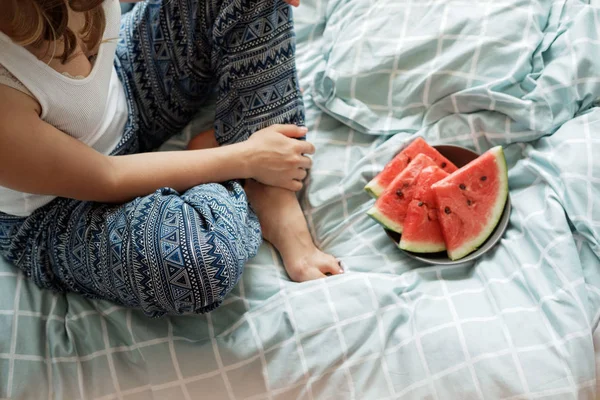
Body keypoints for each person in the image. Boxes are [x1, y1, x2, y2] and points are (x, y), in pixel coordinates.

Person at [0, 0, 342, 317]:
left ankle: (272, 193)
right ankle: (230, 171)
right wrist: (244, 157)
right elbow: (107, 176)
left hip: (125, 89)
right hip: (56, 210)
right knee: (195, 264)